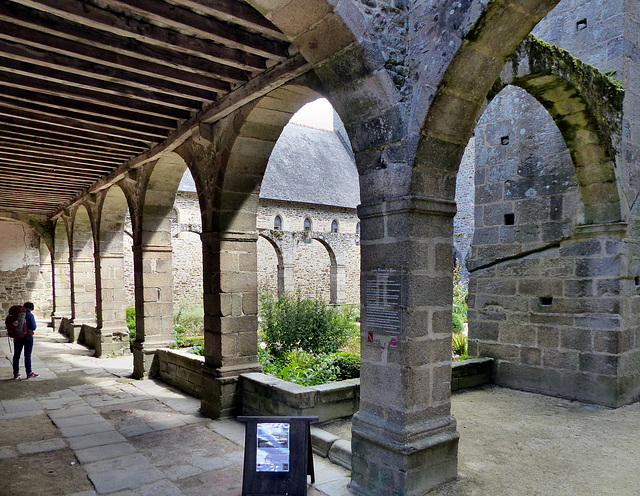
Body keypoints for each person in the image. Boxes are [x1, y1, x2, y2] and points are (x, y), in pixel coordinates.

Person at [13, 301, 39, 379]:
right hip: (27, 337)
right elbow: (33, 327)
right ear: (31, 308)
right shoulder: (30, 315)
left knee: (16, 355)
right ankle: (29, 372)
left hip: (17, 337)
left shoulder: (16, 315)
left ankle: (16, 373)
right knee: (27, 355)